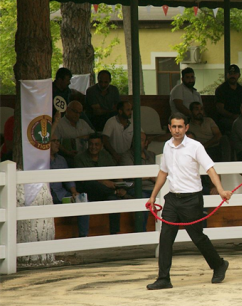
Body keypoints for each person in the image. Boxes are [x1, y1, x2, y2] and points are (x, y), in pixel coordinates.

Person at [145, 112, 232, 290]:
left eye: (180, 127)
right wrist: (153, 195)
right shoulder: (167, 146)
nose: (177, 130)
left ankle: (219, 265)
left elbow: (210, 168)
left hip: (192, 199)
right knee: (166, 238)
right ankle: (163, 278)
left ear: (186, 128)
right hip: (172, 198)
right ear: (169, 128)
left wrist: (221, 190)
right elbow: (163, 172)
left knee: (197, 236)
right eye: (174, 127)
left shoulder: (195, 146)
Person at [74, 133, 125, 235]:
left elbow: (114, 173)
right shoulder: (79, 158)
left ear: (101, 145)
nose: (93, 147)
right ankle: (114, 192)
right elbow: (84, 179)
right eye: (91, 144)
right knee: (91, 183)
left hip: (105, 193)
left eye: (96, 144)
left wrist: (121, 185)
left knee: (114, 201)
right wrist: (103, 181)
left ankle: (115, 234)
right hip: (89, 192)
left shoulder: (106, 156)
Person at [50, 135, 91, 237]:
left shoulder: (61, 159)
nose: (57, 143)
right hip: (48, 195)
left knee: (82, 202)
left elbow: (68, 179)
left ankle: (83, 237)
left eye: (58, 140)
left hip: (61, 193)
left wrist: (74, 192)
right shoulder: (40, 160)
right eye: (54, 141)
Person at [120, 132, 156, 232]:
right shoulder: (126, 156)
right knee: (144, 200)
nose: (137, 142)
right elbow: (130, 176)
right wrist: (149, 177)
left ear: (146, 143)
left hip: (154, 189)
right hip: (136, 188)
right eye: (135, 139)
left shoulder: (152, 155)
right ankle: (141, 233)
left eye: (141, 139)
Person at [56, 100, 95, 166]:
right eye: (75, 112)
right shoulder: (59, 124)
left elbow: (94, 135)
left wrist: (84, 137)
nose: (77, 115)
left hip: (86, 155)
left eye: (80, 113)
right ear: (67, 109)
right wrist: (67, 152)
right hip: (68, 157)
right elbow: (55, 142)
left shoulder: (83, 122)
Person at [215, 64, 242, 134]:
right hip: (225, 119)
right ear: (227, 75)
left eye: (235, 74)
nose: (232, 76)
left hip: (241, 118)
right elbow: (220, 109)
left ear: (239, 75)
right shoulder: (221, 90)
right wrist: (233, 116)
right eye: (230, 74)